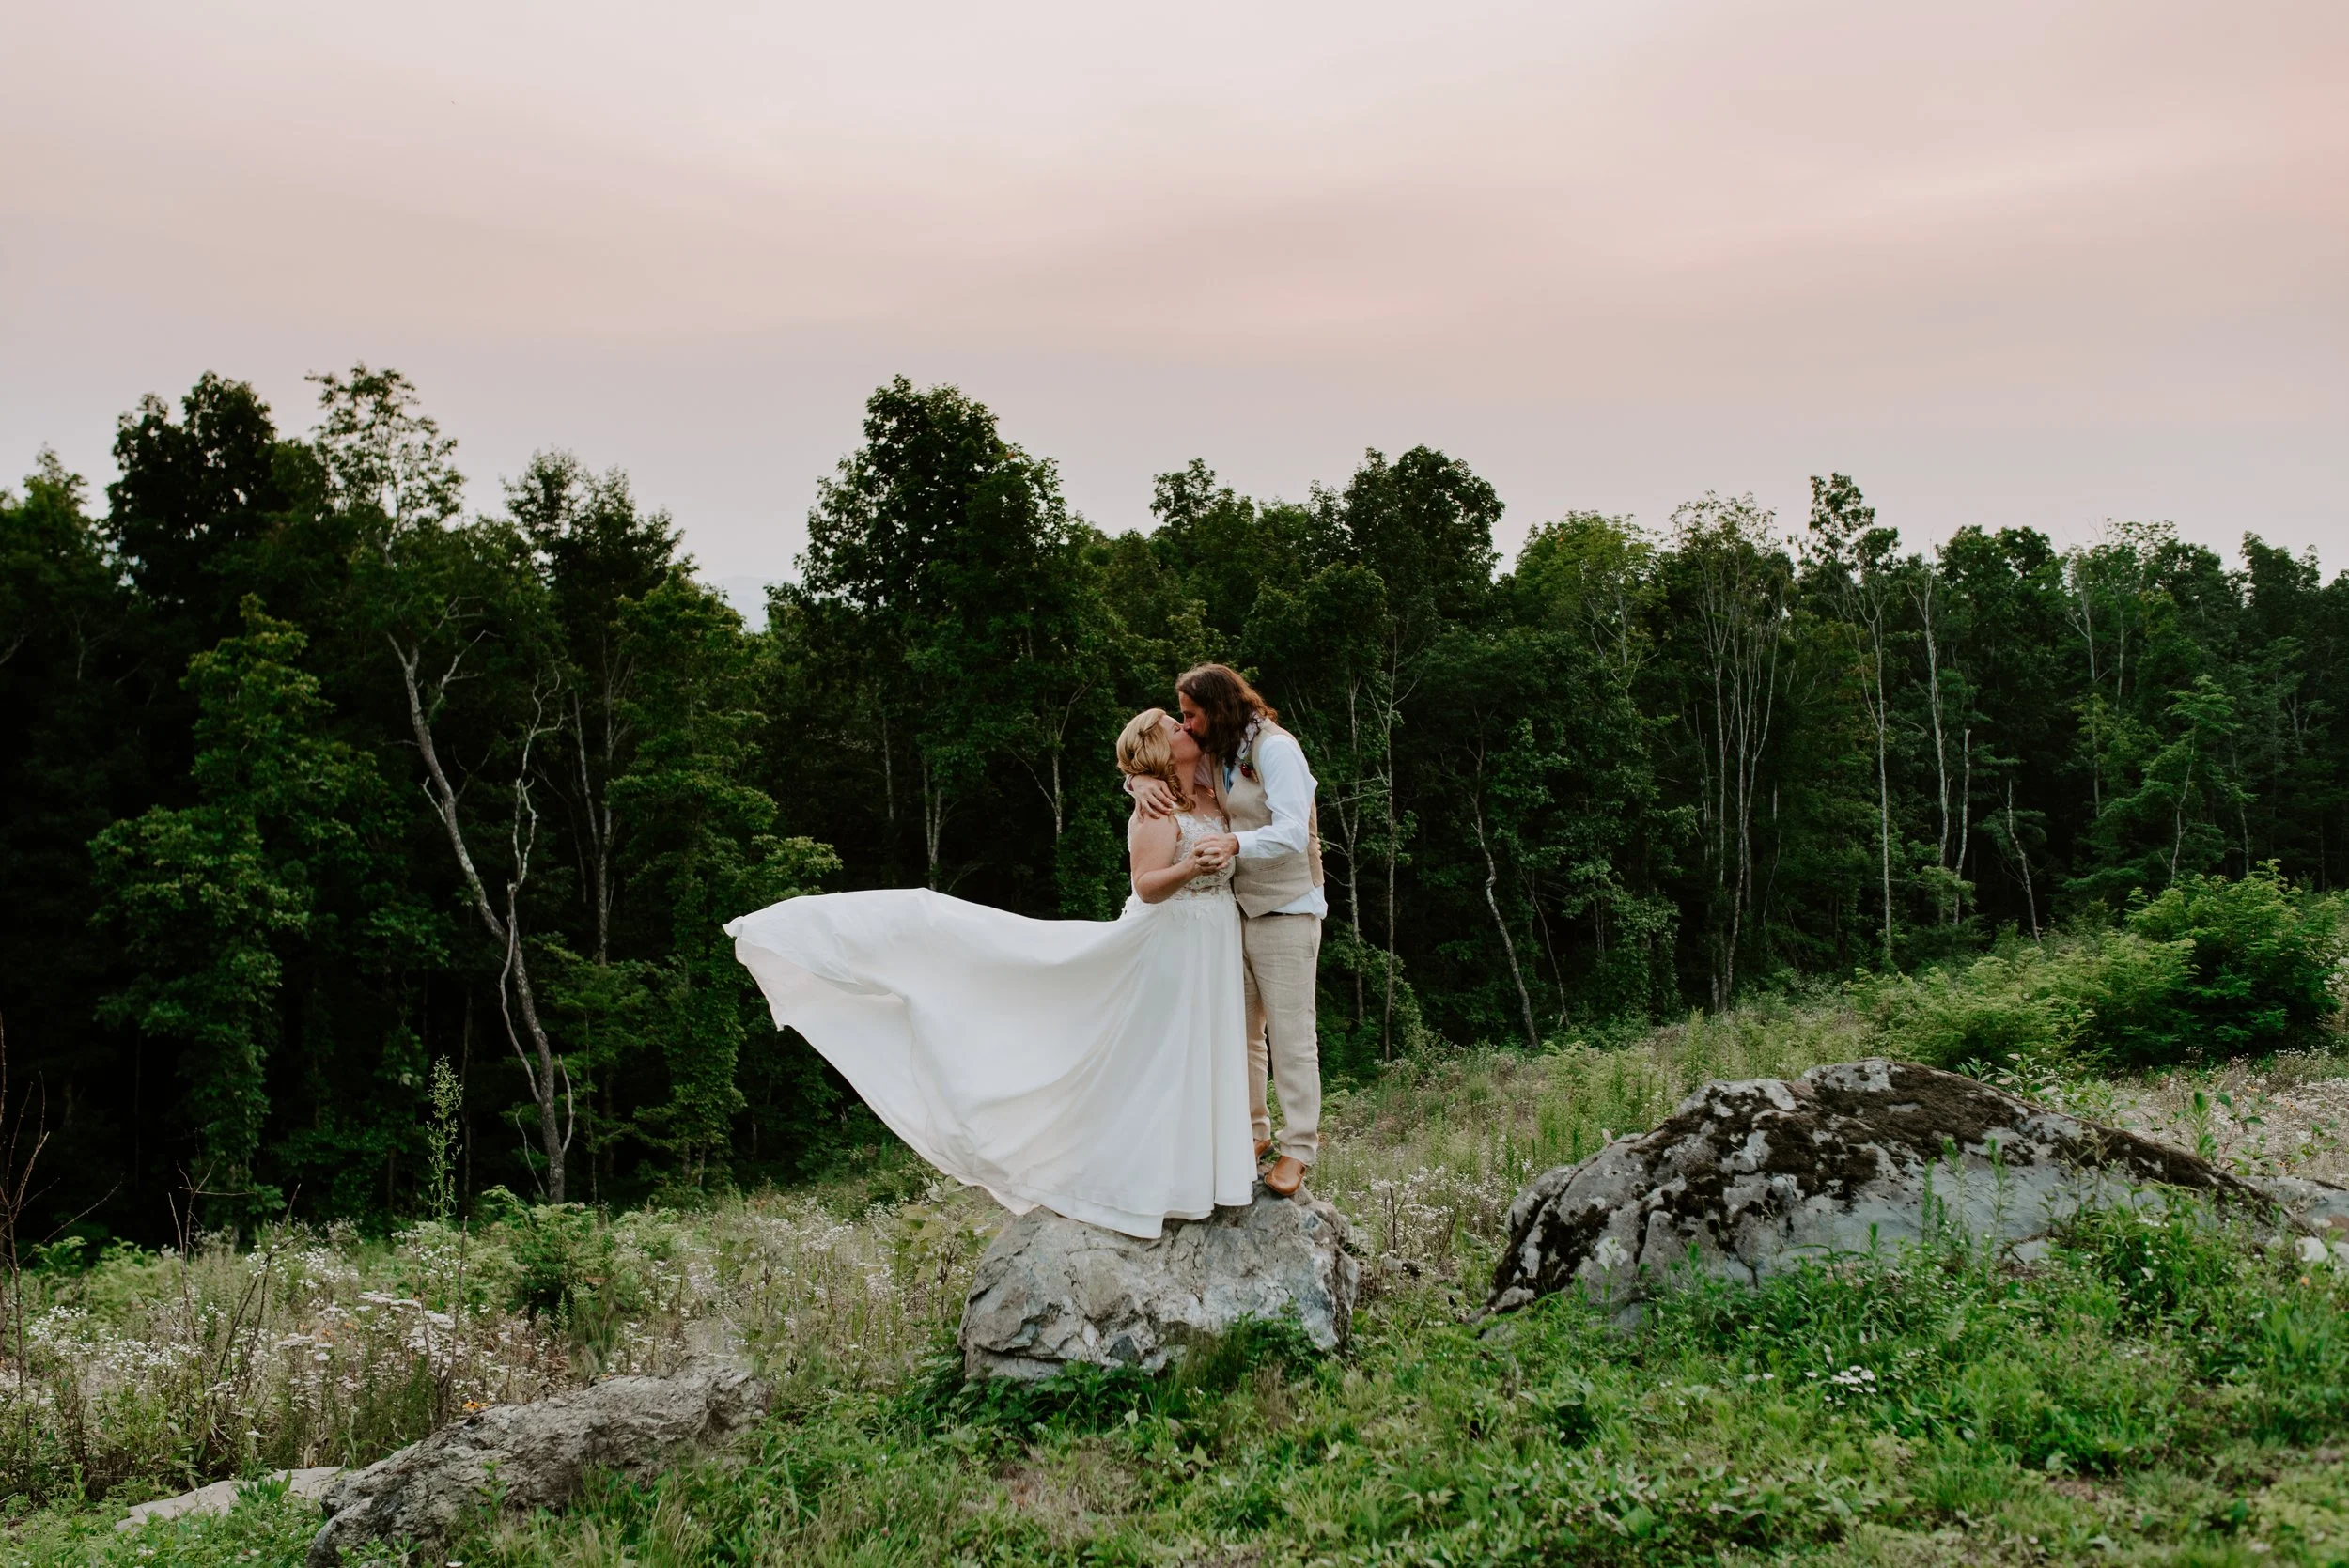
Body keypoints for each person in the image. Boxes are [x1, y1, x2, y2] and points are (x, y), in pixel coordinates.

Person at [724, 708, 1253, 1239]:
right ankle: (1140, 1185)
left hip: (1210, 941)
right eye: (1172, 724)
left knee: (1201, 1050)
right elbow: (1145, 885)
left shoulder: (1210, 781)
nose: (1185, 726)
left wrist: (1133, 779)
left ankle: (1204, 1178)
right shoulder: (1156, 812)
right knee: (1155, 1058)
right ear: (1160, 748)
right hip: (1165, 941)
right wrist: (1186, 860)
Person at [1126, 664, 1325, 1199]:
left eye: (1190, 715)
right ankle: (1252, 1133)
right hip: (1232, 914)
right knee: (1242, 1035)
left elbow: (1290, 828)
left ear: (1216, 709)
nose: (1185, 727)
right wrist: (1138, 778)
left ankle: (1299, 1148)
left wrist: (1236, 846)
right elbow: (1159, 762)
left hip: (1286, 907)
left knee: (1291, 1037)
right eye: (1181, 720)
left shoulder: (1276, 749)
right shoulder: (1219, 752)